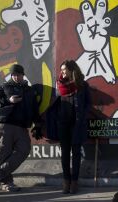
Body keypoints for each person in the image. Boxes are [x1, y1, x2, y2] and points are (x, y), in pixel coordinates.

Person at [0, 64, 43, 194]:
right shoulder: (4, 86)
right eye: (13, 75)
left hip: (22, 126)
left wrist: (38, 126)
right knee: (3, 153)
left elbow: (35, 110)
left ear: (23, 75)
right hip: (5, 123)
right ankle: (7, 184)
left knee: (24, 149)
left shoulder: (30, 91)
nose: (15, 77)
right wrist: (8, 100)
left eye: (18, 74)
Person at [46, 60, 91, 194]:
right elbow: (55, 103)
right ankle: (66, 181)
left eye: (65, 69)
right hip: (63, 124)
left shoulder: (82, 85)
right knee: (65, 153)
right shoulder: (60, 85)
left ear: (72, 70)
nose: (62, 72)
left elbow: (88, 103)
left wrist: (82, 115)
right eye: (61, 70)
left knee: (76, 153)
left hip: (77, 124)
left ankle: (75, 182)